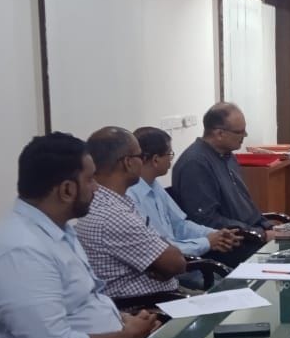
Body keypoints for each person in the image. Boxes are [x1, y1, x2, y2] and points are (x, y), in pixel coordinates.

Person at [0, 132, 160, 338]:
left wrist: (122, 321)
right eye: (90, 179)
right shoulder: (20, 253)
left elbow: (87, 299)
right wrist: (125, 336)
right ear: (67, 190)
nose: (97, 188)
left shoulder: (57, 230)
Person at [76, 127, 187, 298]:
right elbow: (176, 263)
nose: (143, 162)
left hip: (160, 297)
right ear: (128, 162)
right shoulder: (113, 215)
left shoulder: (106, 201)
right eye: (140, 156)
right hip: (149, 310)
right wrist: (163, 260)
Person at [171, 102, 276, 259]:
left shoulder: (227, 156)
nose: (245, 135)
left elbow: (245, 206)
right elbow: (207, 220)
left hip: (251, 235)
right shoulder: (195, 164)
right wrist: (260, 234)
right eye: (239, 131)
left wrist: (267, 226)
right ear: (219, 134)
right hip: (231, 246)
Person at [127, 127, 242, 261]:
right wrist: (207, 242)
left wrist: (216, 234)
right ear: (156, 160)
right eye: (169, 154)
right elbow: (160, 251)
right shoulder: (131, 198)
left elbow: (180, 225)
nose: (171, 160)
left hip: (181, 258)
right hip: (167, 267)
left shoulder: (154, 185)